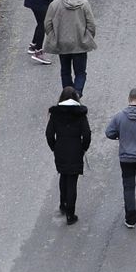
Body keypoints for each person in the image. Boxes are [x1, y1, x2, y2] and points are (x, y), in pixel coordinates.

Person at [104, 87, 136, 228]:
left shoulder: (119, 116)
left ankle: (131, 219)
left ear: (129, 99)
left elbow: (109, 133)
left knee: (128, 187)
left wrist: (120, 135)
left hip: (126, 158)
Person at [45, 85, 92, 225]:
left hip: (60, 149)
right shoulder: (80, 114)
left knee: (63, 175)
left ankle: (63, 204)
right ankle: (70, 214)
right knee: (72, 181)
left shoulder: (55, 113)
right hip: (75, 150)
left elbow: (49, 134)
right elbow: (87, 134)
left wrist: (54, 147)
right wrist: (83, 148)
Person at [42, 0, 96, 94]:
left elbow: (47, 24)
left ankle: (68, 95)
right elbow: (91, 24)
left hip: (62, 43)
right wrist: (87, 37)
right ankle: (77, 93)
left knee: (65, 71)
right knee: (80, 72)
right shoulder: (84, 3)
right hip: (80, 43)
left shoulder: (54, 5)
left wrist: (54, 37)